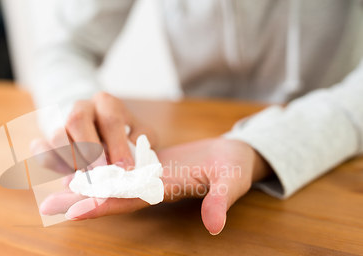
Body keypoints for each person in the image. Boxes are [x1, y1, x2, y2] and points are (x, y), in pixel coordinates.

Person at [30, 0, 363, 235]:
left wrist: (265, 145)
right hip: (188, 134)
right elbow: (65, 46)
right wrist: (77, 112)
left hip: (331, 154)